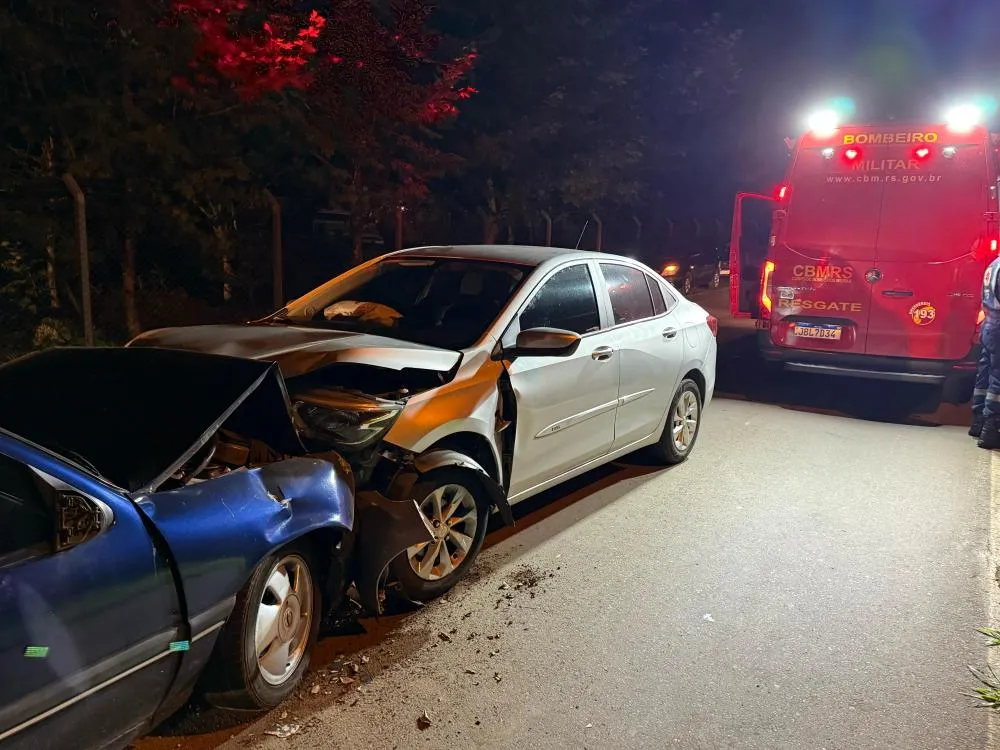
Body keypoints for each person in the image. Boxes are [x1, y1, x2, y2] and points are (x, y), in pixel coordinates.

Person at [972, 253, 1000, 449]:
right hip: (998, 326)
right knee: (998, 377)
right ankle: (991, 429)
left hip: (990, 324)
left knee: (984, 373)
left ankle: (978, 422)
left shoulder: (994, 264)